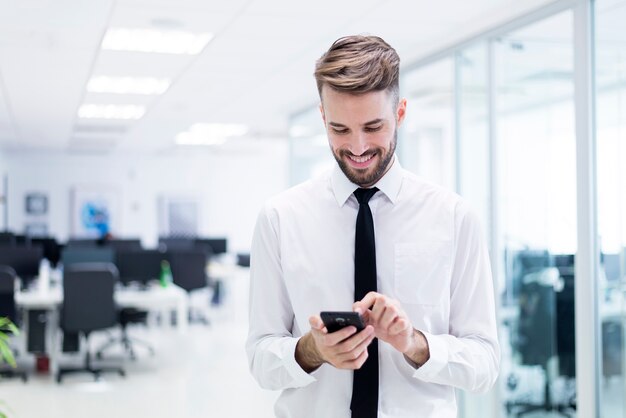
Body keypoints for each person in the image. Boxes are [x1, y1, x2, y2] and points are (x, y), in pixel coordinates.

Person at [246, 35, 500, 418]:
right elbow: (261, 357)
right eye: (340, 129)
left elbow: (485, 364)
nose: (358, 147)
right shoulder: (280, 218)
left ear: (399, 114)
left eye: (373, 126)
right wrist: (312, 350)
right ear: (322, 117)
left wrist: (414, 343)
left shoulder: (453, 218)